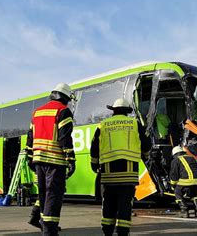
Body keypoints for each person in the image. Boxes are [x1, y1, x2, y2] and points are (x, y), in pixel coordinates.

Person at [90, 98, 151, 236]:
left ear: (114, 111)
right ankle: (123, 232)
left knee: (108, 203)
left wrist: (94, 164)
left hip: (108, 173)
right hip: (128, 173)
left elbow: (94, 147)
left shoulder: (103, 125)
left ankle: (107, 232)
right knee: (125, 204)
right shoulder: (134, 123)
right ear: (126, 111)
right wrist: (145, 156)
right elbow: (146, 143)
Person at [24, 83, 76, 236]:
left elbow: (30, 137)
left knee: (44, 194)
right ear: (66, 97)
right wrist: (70, 158)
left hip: (39, 160)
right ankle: (49, 230)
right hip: (55, 161)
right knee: (53, 196)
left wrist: (30, 157)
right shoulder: (63, 111)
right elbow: (65, 137)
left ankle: (39, 220)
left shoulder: (37, 112)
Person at [169, 145, 197, 217]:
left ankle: (184, 211)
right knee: (193, 193)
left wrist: (173, 184)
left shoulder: (176, 160)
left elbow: (174, 174)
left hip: (188, 180)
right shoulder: (192, 158)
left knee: (178, 192)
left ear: (175, 154)